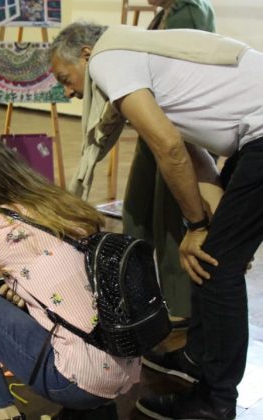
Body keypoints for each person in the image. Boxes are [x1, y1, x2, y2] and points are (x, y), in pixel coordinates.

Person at [50, 22, 263, 419]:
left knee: (215, 267)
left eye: (64, 79)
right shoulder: (141, 53)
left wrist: (200, 230)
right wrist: (211, 229)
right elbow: (189, 150)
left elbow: (169, 149)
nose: (69, 92)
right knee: (211, 257)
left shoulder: (109, 59)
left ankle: (215, 403)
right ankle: (198, 357)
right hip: (252, 139)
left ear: (84, 54)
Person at [0, 138, 139, 420]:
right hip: (125, 365)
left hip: (75, 382)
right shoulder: (60, 205)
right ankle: (95, 407)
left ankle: (1, 409)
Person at [122, 0, 215, 329]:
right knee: (136, 209)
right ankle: (134, 287)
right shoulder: (166, 12)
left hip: (176, 126)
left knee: (170, 216)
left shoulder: (191, 11)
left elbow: (187, 71)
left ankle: (180, 304)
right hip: (154, 118)